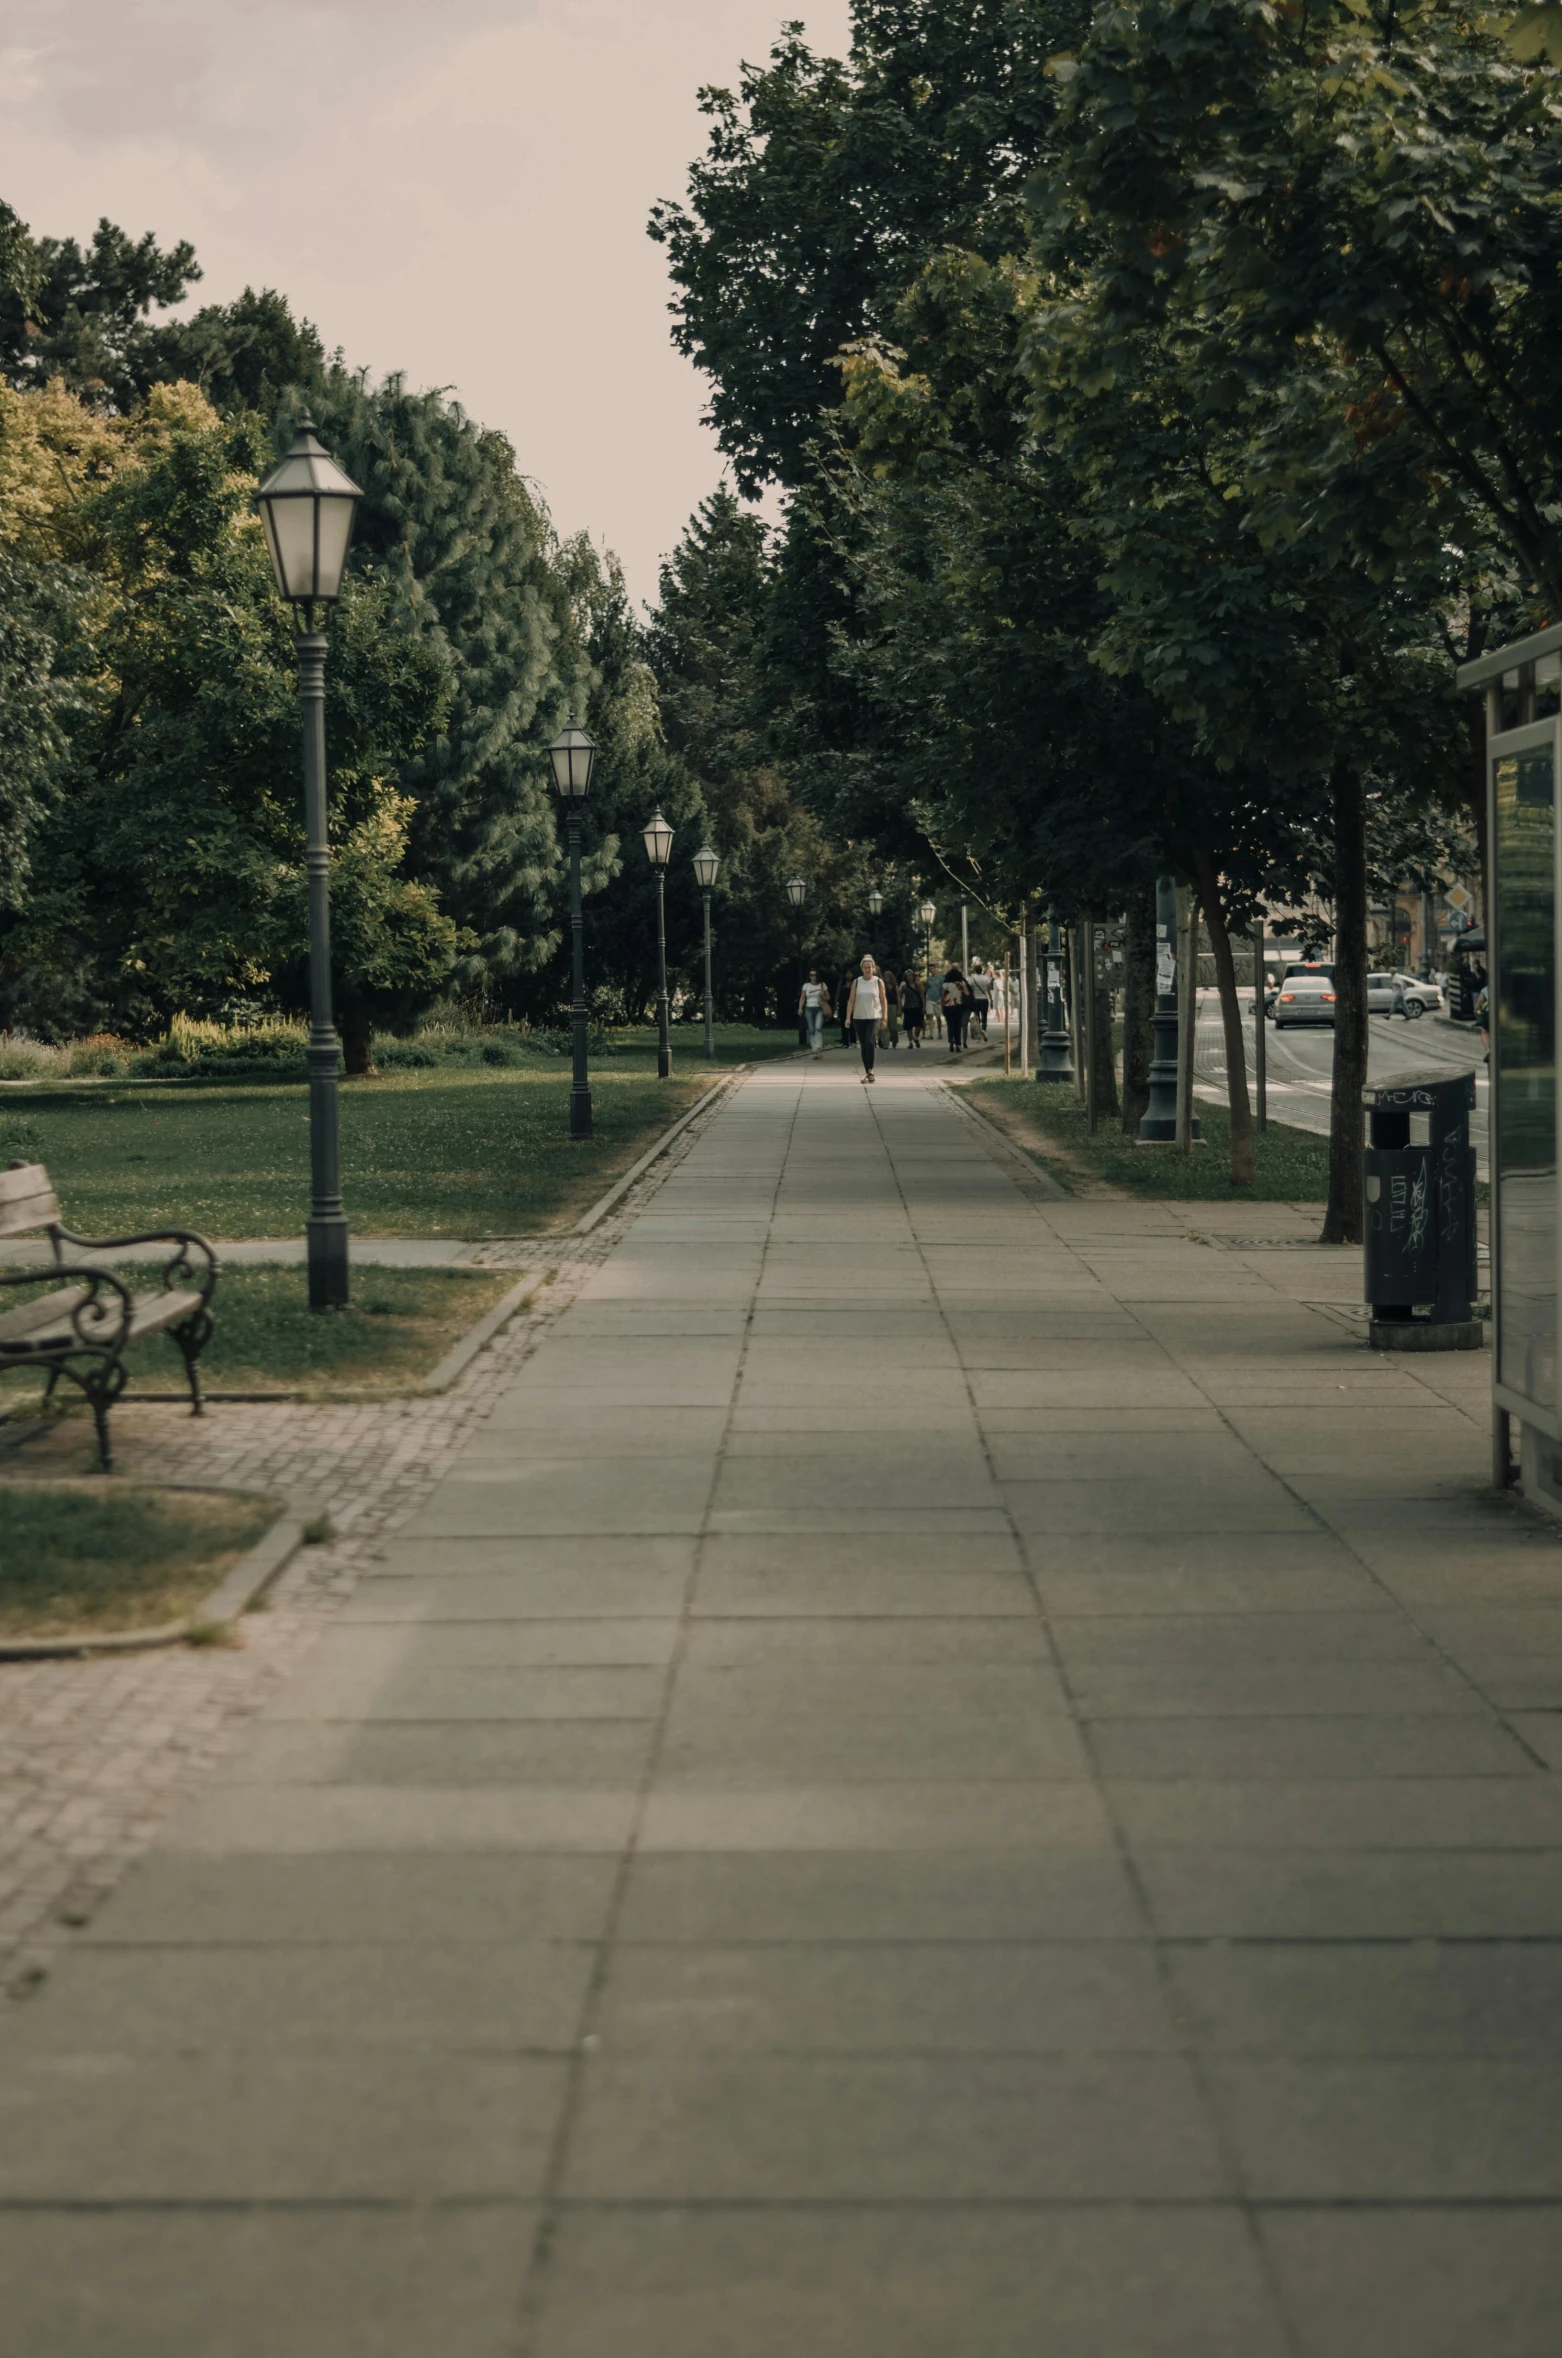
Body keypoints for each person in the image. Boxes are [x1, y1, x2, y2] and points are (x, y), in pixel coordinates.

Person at [849, 955, 888, 1083]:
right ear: (862, 969)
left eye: (869, 967)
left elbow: (883, 1000)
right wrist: (847, 1017)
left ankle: (871, 1070)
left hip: (874, 1016)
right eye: (865, 968)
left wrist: (884, 1018)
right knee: (864, 1044)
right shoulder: (857, 982)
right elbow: (851, 1000)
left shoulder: (878, 981)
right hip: (859, 1017)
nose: (867, 970)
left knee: (870, 1041)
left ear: (873, 968)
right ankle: (868, 1071)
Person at [797, 969, 831, 1058]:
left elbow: (828, 997)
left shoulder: (822, 985)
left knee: (818, 1027)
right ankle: (815, 1050)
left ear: (817, 976)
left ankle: (819, 1047)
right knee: (811, 1030)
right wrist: (800, 1008)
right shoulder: (806, 986)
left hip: (819, 1008)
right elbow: (802, 997)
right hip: (809, 1008)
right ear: (809, 976)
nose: (813, 977)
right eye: (811, 975)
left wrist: (822, 995)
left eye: (815, 975)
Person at [941, 966, 967, 1053]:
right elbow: (966, 993)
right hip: (958, 1006)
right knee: (958, 1025)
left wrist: (942, 1006)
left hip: (948, 1006)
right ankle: (957, 1044)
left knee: (950, 1025)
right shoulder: (961, 983)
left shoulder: (945, 984)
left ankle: (951, 1041)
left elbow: (942, 996)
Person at [901, 967, 926, 1048]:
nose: (909, 977)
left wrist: (924, 1006)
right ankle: (910, 1042)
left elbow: (922, 996)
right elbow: (899, 995)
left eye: (911, 975)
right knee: (909, 1026)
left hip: (917, 1006)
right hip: (908, 1007)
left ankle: (915, 1037)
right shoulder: (904, 986)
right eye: (908, 976)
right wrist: (900, 1006)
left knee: (918, 1025)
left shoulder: (918, 984)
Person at [968, 962, 991, 1040]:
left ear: (975, 970)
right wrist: (990, 999)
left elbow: (971, 990)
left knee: (977, 1017)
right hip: (984, 999)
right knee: (984, 1016)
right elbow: (988, 990)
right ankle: (984, 1030)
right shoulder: (986, 978)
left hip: (976, 999)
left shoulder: (973, 979)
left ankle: (978, 1033)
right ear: (982, 970)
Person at [881, 966, 901, 1051]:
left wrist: (899, 1009)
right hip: (884, 1006)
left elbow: (898, 997)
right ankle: (885, 1043)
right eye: (885, 977)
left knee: (893, 1026)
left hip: (893, 1006)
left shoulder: (894, 986)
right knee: (885, 1025)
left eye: (887, 977)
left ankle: (894, 1039)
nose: (886, 978)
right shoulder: (882, 986)